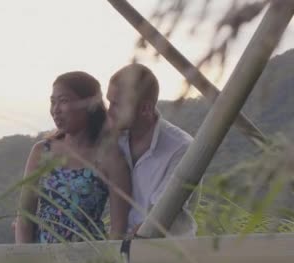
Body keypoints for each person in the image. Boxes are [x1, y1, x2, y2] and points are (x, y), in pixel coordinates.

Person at [14, 71, 131, 243]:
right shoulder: (42, 151)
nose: (56, 110)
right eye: (53, 102)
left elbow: (118, 231)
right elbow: (24, 218)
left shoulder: (110, 157)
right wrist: (23, 262)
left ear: (90, 105)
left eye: (64, 101)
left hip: (89, 260)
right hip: (40, 261)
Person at [105, 63, 197, 238]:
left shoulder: (181, 148)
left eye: (116, 105)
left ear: (145, 109)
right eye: (109, 102)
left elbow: (161, 213)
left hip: (167, 253)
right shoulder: (113, 139)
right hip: (121, 251)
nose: (109, 111)